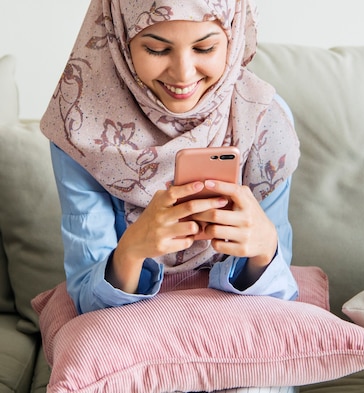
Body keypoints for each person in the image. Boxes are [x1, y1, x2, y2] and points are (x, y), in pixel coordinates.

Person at [40, 0, 300, 315]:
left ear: (232, 39)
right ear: (120, 39)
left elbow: (282, 291)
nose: (182, 74)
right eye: (157, 50)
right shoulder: (82, 127)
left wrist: (264, 250)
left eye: (205, 49)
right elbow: (87, 298)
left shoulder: (264, 119)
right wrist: (131, 252)